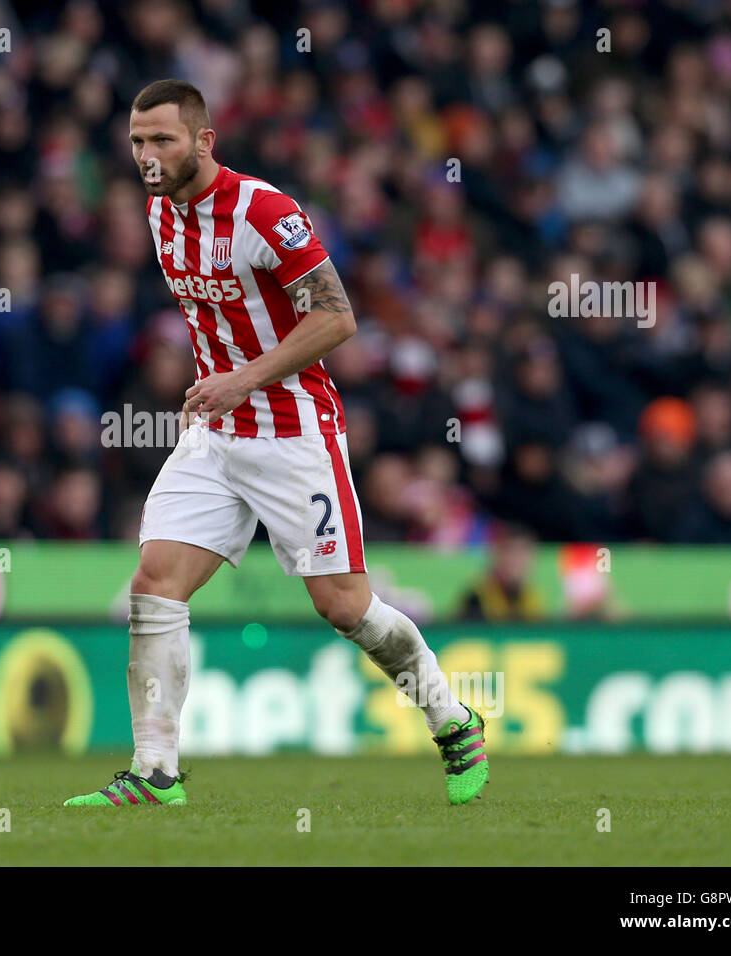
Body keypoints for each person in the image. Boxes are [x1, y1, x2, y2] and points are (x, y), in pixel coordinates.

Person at [64, 80, 488, 808]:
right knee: (154, 584)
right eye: (136, 141)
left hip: (294, 432)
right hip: (217, 438)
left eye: (162, 139)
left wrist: (241, 378)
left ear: (204, 141)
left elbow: (337, 317)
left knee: (346, 607)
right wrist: (221, 389)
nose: (146, 155)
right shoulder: (159, 210)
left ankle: (452, 719)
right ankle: (155, 771)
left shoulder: (266, 211)